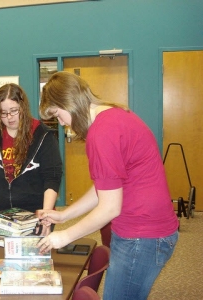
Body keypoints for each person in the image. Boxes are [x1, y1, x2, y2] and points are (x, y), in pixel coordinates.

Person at [36, 71, 179, 300]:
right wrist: (64, 215)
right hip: (149, 231)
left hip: (142, 235)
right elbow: (105, 188)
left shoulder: (102, 131)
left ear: (68, 103)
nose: (61, 123)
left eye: (58, 115)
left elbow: (110, 207)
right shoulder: (115, 115)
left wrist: (64, 237)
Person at [0, 83, 62, 236]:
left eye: (13, 111)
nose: (9, 117)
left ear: (23, 107)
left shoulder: (43, 136)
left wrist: (46, 214)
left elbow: (52, 177)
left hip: (34, 216)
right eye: (3, 113)